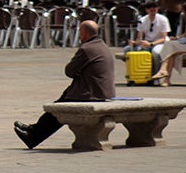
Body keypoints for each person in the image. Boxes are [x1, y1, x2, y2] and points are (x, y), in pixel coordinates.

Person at [13, 20, 114, 149]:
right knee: (59, 103)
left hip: (90, 94)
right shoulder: (103, 46)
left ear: (84, 33)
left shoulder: (87, 49)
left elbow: (69, 71)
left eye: (80, 32)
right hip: (101, 92)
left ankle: (33, 136)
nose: (79, 34)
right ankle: (33, 130)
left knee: (58, 110)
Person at [124, 1, 170, 78]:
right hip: (147, 42)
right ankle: (137, 72)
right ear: (147, 10)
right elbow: (140, 37)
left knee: (156, 53)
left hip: (160, 42)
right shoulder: (142, 20)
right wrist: (135, 42)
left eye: (155, 10)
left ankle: (155, 74)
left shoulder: (163, 19)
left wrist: (151, 44)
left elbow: (163, 38)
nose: (153, 13)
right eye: (151, 11)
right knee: (127, 49)